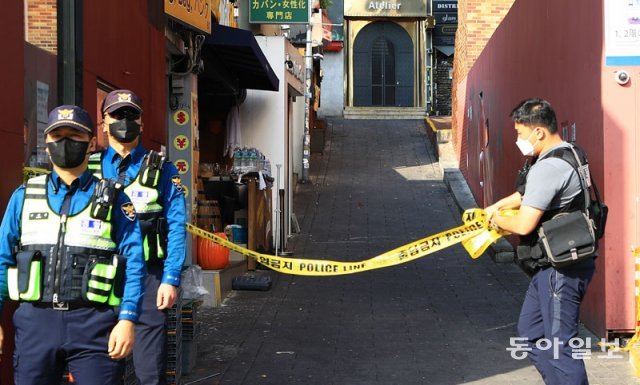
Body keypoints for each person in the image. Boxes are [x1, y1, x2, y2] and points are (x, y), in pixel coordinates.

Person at [0, 105, 146, 384]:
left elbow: (134, 263)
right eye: (58, 136)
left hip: (94, 324)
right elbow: (2, 258)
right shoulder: (24, 196)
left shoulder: (115, 199)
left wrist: (127, 319)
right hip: (35, 323)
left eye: (75, 136)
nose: (65, 142)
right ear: (47, 142)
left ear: (91, 143)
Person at [485, 98, 596, 385]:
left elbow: (523, 223)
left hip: (561, 271)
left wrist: (493, 221)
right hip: (554, 265)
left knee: (560, 348)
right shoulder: (568, 152)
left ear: (539, 132)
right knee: (531, 335)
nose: (518, 140)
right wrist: (497, 206)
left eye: (520, 134)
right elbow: (528, 195)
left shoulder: (547, 168)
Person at [90, 90, 186, 384]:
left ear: (142, 124)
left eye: (131, 115)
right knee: (101, 370)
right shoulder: (88, 169)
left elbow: (177, 224)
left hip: (148, 277)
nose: (124, 121)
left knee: (149, 372)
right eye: (117, 115)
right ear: (103, 122)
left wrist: (170, 278)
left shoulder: (162, 171)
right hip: (97, 277)